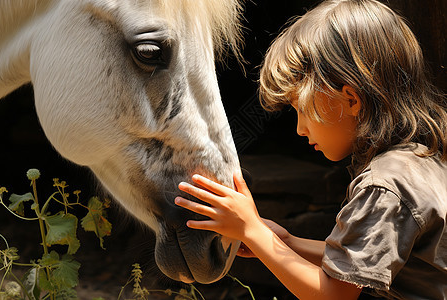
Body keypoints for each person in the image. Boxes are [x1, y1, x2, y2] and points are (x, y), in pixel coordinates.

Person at [174, 0, 447, 299]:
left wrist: (253, 230)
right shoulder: (422, 159)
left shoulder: (384, 186)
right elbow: (358, 263)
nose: (300, 129)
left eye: (301, 108)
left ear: (351, 100)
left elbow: (334, 295)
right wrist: (287, 242)